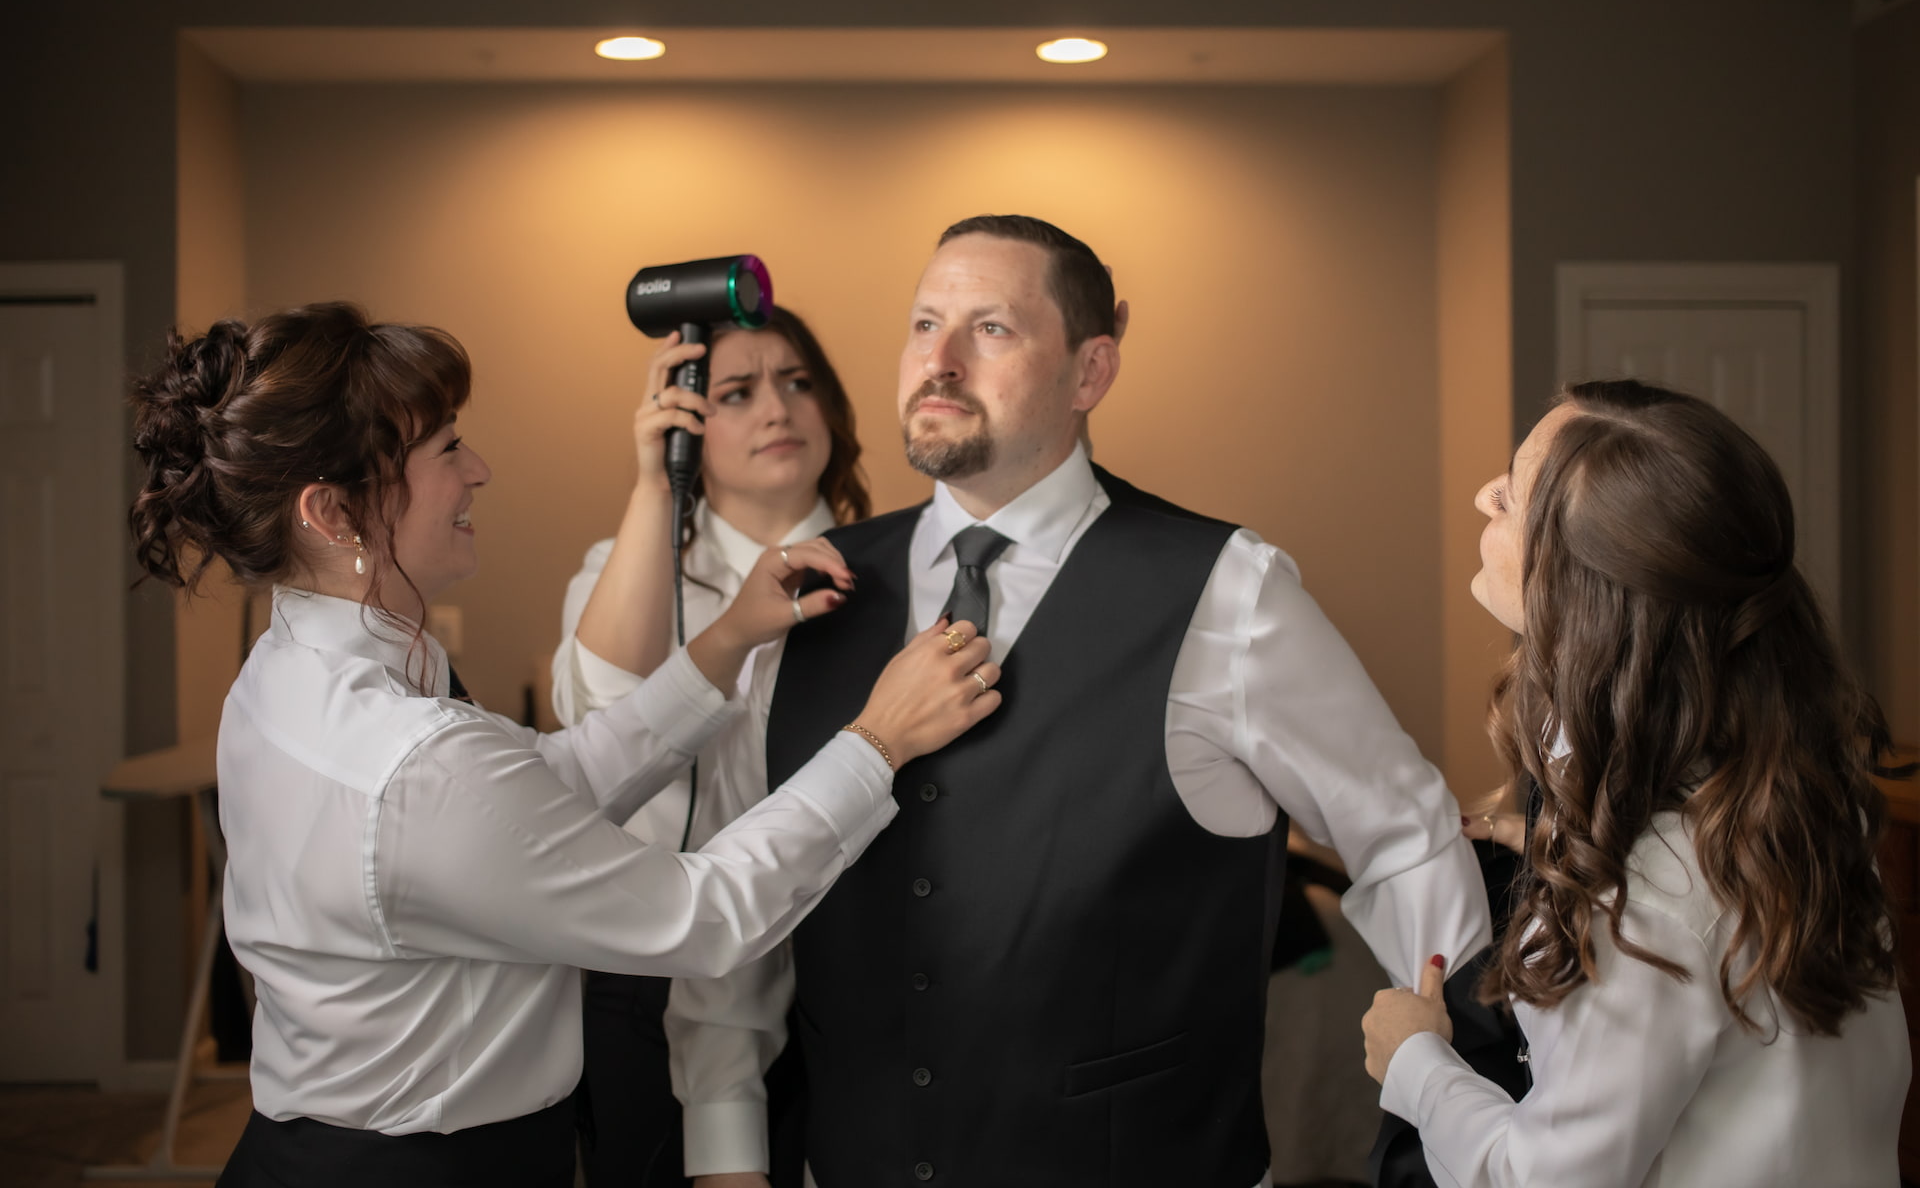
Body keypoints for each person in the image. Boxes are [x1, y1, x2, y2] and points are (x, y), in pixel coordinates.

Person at [668, 215, 1491, 1188]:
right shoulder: (810, 593)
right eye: (924, 323)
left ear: (1090, 371)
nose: (939, 359)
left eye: (992, 329)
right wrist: (724, 1156)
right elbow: (742, 903)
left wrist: (1463, 1088)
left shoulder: (1227, 589)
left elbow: (1404, 837)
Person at [125, 302, 1003, 1188]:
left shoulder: (286, 670)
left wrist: (724, 642)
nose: (479, 470)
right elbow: (704, 916)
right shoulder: (410, 762)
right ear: (332, 512)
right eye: (444, 450)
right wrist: (878, 740)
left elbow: (547, 785)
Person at [1361, 379, 1911, 1187]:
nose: (1485, 494)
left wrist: (1415, 1060)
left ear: (1579, 592)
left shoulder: (1649, 902)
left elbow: (1543, 1179)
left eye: (1511, 496)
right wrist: (1545, 834)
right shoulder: (1795, 799)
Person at [552, 306, 869, 1187]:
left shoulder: (899, 572)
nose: (777, 408)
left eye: (797, 382)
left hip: (854, 977)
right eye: (736, 392)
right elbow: (606, 709)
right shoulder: (628, 568)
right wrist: (657, 486)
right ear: (689, 421)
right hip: (654, 986)